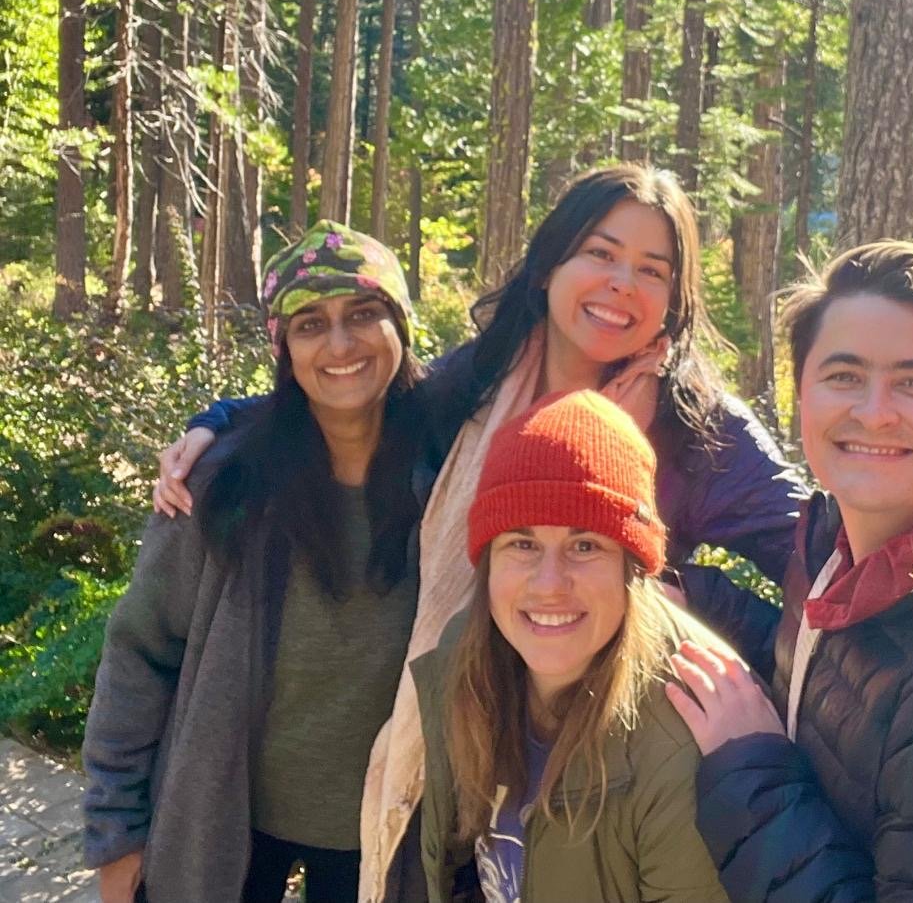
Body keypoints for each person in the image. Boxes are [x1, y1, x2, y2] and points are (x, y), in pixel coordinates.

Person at [149, 165, 802, 901]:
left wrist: (687, 601)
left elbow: (822, 562)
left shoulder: (697, 426)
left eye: (653, 269)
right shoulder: (480, 382)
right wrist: (222, 423)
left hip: (603, 782)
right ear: (550, 262)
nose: (622, 282)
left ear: (674, 302)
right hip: (458, 743)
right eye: (601, 252)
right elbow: (354, 402)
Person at [664, 241, 913, 903]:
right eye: (844, 375)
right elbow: (835, 681)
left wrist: (748, 770)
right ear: (801, 396)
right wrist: (694, 597)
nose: (874, 411)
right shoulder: (830, 544)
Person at [83, 223, 426, 903]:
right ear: (284, 349)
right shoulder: (222, 484)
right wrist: (116, 832)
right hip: (226, 827)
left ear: (402, 326)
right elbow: (141, 652)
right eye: (309, 325)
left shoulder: (446, 480)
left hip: (385, 838)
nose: (340, 344)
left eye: (364, 314)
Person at [415, 390, 729, 903]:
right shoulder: (464, 661)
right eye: (522, 543)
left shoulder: (681, 737)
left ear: (632, 568)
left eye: (585, 546)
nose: (548, 584)